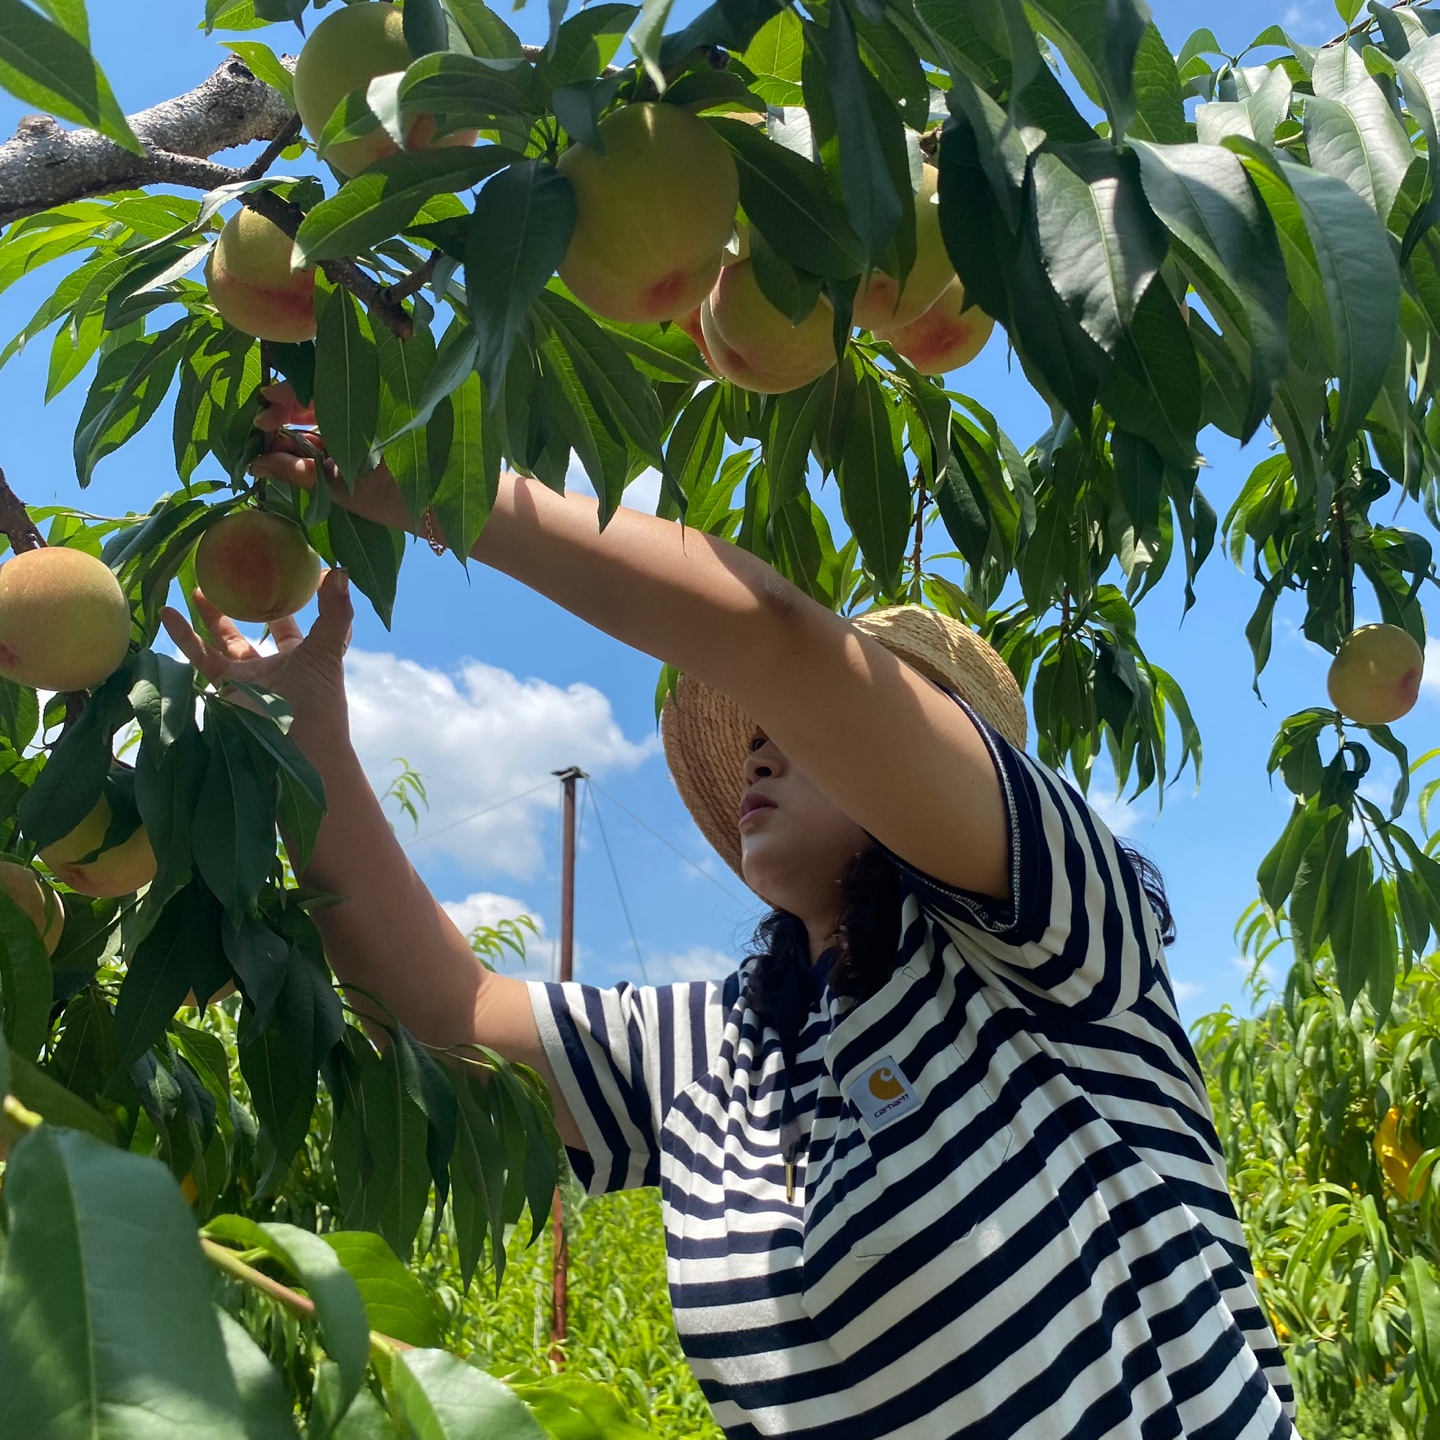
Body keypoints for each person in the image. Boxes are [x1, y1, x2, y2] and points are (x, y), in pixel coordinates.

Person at [161, 386, 1295, 1440]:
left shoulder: (1048, 943)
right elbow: (445, 1011)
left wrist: (449, 478)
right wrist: (308, 733)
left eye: (796, 726)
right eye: (751, 731)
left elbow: (778, 641)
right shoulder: (725, 1049)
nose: (760, 738)